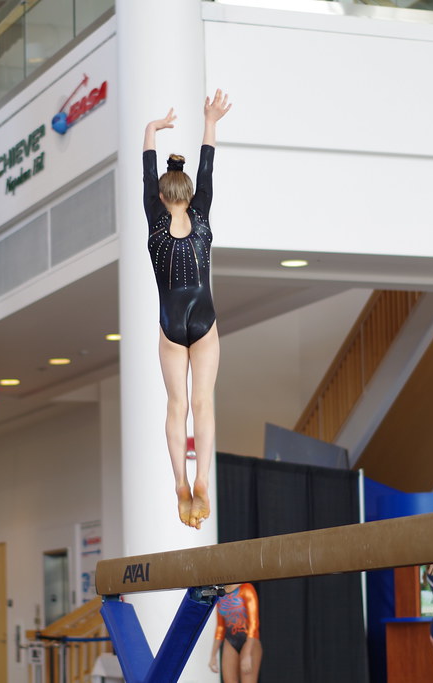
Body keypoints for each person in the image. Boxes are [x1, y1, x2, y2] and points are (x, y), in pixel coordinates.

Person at [143, 90, 231, 529]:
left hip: (170, 323)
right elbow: (207, 165)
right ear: (190, 195)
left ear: (159, 196)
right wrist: (210, 119)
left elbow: (147, 173)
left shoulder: (154, 220)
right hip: (204, 318)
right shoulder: (202, 215)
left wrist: (151, 131)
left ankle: (179, 483)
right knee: (203, 402)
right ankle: (202, 483)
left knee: (176, 403)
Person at [208, 582, 261, 683]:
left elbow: (254, 624)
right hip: (230, 639)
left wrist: (248, 653)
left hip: (249, 640)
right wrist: (213, 655)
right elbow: (220, 627)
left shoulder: (247, 589)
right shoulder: (220, 594)